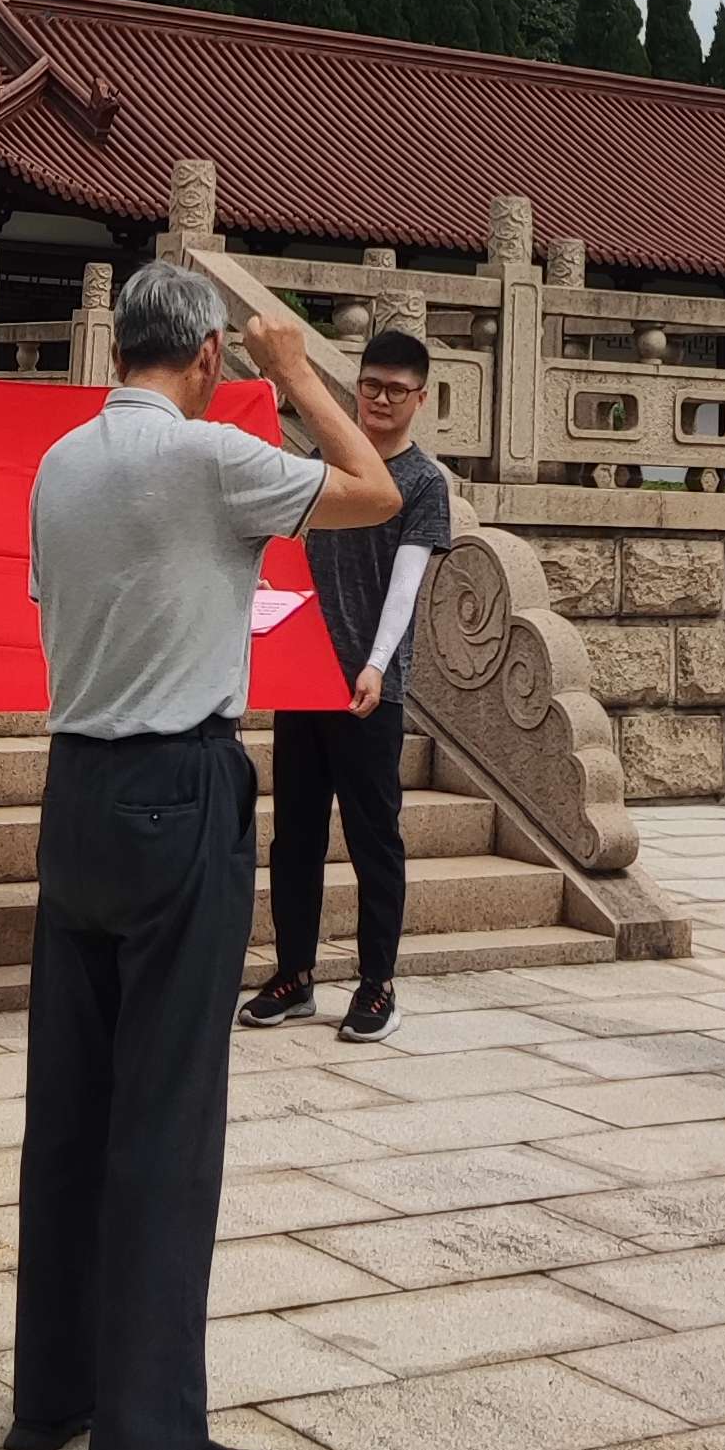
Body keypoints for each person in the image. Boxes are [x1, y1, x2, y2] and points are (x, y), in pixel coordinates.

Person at [12, 261, 397, 1450]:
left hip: (75, 786)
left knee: (71, 1108)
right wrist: (296, 374)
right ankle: (146, 1428)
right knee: (168, 1114)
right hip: (178, 781)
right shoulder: (207, 458)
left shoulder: (60, 463)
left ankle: (54, 1389)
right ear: (205, 356)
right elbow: (375, 489)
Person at [240, 328, 455, 1044]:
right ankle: (294, 974)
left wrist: (375, 663)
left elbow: (407, 584)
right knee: (295, 835)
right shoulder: (322, 464)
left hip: (370, 688)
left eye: (397, 390)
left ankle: (376, 983)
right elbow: (285, 558)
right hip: (304, 677)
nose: (382, 401)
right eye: (371, 387)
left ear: (422, 399)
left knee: (373, 838)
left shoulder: (423, 484)